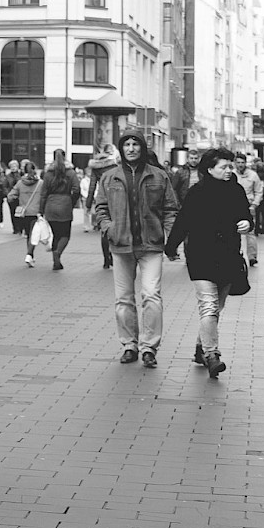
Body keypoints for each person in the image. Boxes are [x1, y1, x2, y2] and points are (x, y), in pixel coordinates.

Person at [93, 128, 177, 368]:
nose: (131, 148)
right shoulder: (109, 177)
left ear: (142, 147)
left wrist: (169, 237)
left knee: (151, 295)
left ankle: (149, 347)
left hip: (151, 245)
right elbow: (101, 208)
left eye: (135, 144)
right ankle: (129, 344)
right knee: (123, 299)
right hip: (121, 245)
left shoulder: (159, 176)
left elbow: (171, 209)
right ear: (121, 149)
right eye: (126, 144)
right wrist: (108, 227)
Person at [164, 148, 252, 379]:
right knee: (209, 307)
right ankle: (212, 355)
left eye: (230, 166)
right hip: (201, 256)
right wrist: (171, 246)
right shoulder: (198, 192)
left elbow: (246, 215)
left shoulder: (236, 190)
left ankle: (199, 348)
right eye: (223, 166)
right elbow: (183, 220)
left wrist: (247, 223)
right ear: (209, 169)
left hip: (228, 257)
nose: (228, 170)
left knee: (216, 309)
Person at [29, 151, 80, 270]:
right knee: (65, 235)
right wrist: (71, 202)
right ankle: (58, 253)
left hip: (50, 206)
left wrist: (41, 210)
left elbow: (43, 193)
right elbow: (76, 189)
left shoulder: (48, 174)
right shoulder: (71, 173)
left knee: (55, 234)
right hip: (65, 205)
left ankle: (55, 260)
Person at [85, 144, 119, 268]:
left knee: (104, 229)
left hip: (102, 198)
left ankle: (106, 259)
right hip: (116, 198)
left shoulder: (95, 167)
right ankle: (113, 255)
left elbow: (92, 186)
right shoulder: (115, 165)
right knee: (115, 226)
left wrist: (88, 204)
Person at [233, 154, 263, 267]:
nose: (240, 165)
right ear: (235, 163)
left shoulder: (253, 175)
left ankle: (252, 257)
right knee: (234, 231)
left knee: (250, 232)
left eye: (242, 162)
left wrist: (255, 204)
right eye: (238, 162)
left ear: (246, 163)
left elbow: (259, 191)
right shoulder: (231, 174)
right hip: (233, 207)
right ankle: (236, 253)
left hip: (249, 206)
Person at [10, 160, 42, 256]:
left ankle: (30, 254)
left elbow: (10, 196)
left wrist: (17, 198)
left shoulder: (20, 183)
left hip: (24, 212)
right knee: (34, 235)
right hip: (36, 212)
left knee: (29, 234)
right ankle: (29, 254)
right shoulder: (41, 183)